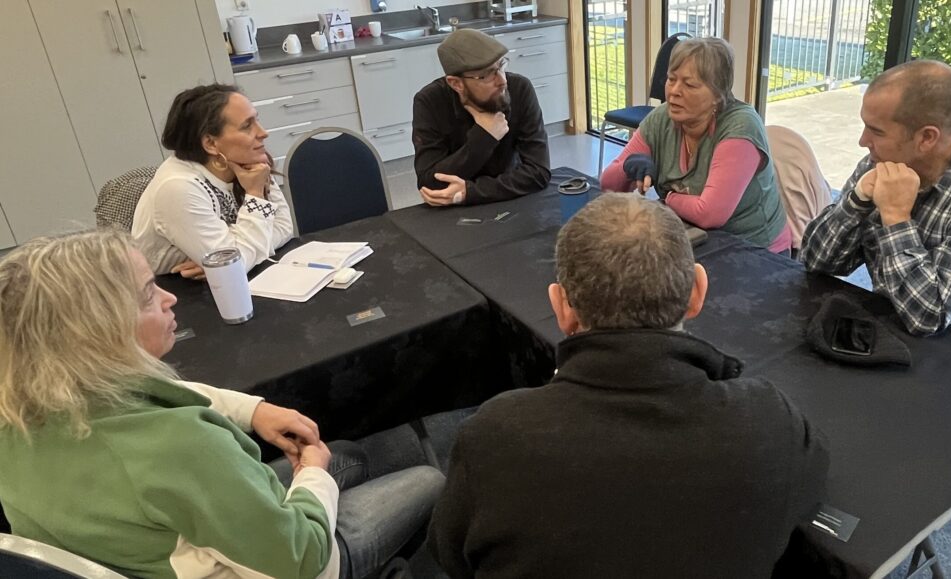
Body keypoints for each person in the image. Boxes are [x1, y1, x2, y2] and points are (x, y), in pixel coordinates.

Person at [0, 230, 445, 579]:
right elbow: (302, 561)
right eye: (149, 295)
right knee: (427, 479)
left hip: (150, 549)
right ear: (99, 333)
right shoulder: (180, 445)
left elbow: (166, 397)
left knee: (347, 455)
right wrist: (311, 474)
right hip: (295, 564)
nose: (170, 298)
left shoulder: (26, 406)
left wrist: (253, 410)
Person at [427, 194, 828, 578]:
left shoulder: (492, 437)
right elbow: (807, 497)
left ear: (562, 308)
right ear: (697, 292)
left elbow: (450, 555)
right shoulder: (769, 422)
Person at [800, 60, 951, 349]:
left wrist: (895, 217)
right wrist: (856, 203)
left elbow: (927, 316)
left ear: (926, 138)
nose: (862, 141)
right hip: (896, 336)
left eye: (876, 131)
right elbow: (816, 261)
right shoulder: (882, 162)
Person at [600, 37, 790, 252]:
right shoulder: (662, 117)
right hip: (692, 236)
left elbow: (709, 214)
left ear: (718, 95)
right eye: (671, 80)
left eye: (689, 84)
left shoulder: (741, 126)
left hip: (756, 250)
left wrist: (667, 198)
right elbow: (608, 185)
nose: (674, 91)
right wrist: (628, 167)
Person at [133, 84, 294, 278]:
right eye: (247, 126)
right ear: (210, 143)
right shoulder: (178, 188)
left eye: (256, 120)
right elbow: (233, 269)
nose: (262, 133)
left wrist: (233, 255)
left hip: (230, 282)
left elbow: (284, 227)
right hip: (170, 292)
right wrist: (254, 194)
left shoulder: (249, 162)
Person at [412, 29, 551, 206]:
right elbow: (429, 183)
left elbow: (539, 172)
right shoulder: (430, 101)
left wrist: (470, 192)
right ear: (456, 83)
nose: (502, 81)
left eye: (501, 66)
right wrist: (484, 137)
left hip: (512, 199)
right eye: (487, 74)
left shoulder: (520, 89)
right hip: (454, 213)